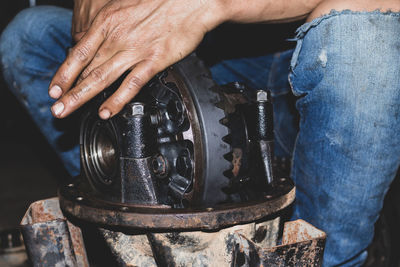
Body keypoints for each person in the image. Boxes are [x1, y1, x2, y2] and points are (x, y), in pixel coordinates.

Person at [1, 0, 400, 265]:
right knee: (31, 35)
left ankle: (326, 255)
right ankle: (152, 232)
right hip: (203, 62)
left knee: (364, 43)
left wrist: (205, 4)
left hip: (323, 62)